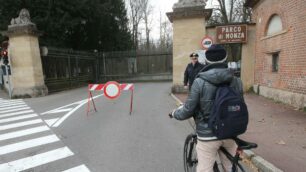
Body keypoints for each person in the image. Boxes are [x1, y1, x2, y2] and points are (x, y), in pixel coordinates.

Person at [170, 44, 244, 172]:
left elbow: (188, 110)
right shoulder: (236, 80)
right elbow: (240, 107)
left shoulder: (200, 81)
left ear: (207, 60)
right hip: (230, 132)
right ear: (225, 59)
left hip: (208, 134)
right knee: (231, 168)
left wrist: (175, 113)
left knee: (205, 169)